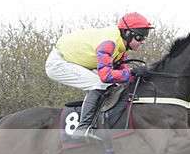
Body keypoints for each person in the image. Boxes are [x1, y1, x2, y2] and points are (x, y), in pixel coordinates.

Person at [45, 12, 154, 142]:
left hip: (74, 61)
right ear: (128, 33)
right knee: (99, 83)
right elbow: (106, 75)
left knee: (111, 84)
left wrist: (137, 75)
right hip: (58, 63)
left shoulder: (120, 47)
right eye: (139, 38)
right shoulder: (109, 42)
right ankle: (82, 128)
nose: (143, 42)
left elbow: (121, 73)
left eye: (144, 38)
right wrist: (132, 72)